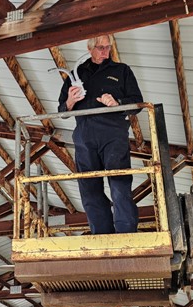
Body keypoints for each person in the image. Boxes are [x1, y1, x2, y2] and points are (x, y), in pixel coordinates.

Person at [57, 36, 143, 234]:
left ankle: (126, 232)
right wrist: (70, 100)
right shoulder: (76, 74)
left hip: (113, 134)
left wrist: (117, 103)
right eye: (100, 47)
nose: (105, 51)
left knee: (119, 184)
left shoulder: (122, 71)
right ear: (90, 49)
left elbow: (137, 103)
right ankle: (101, 234)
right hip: (84, 137)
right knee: (89, 188)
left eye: (108, 47)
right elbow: (62, 111)